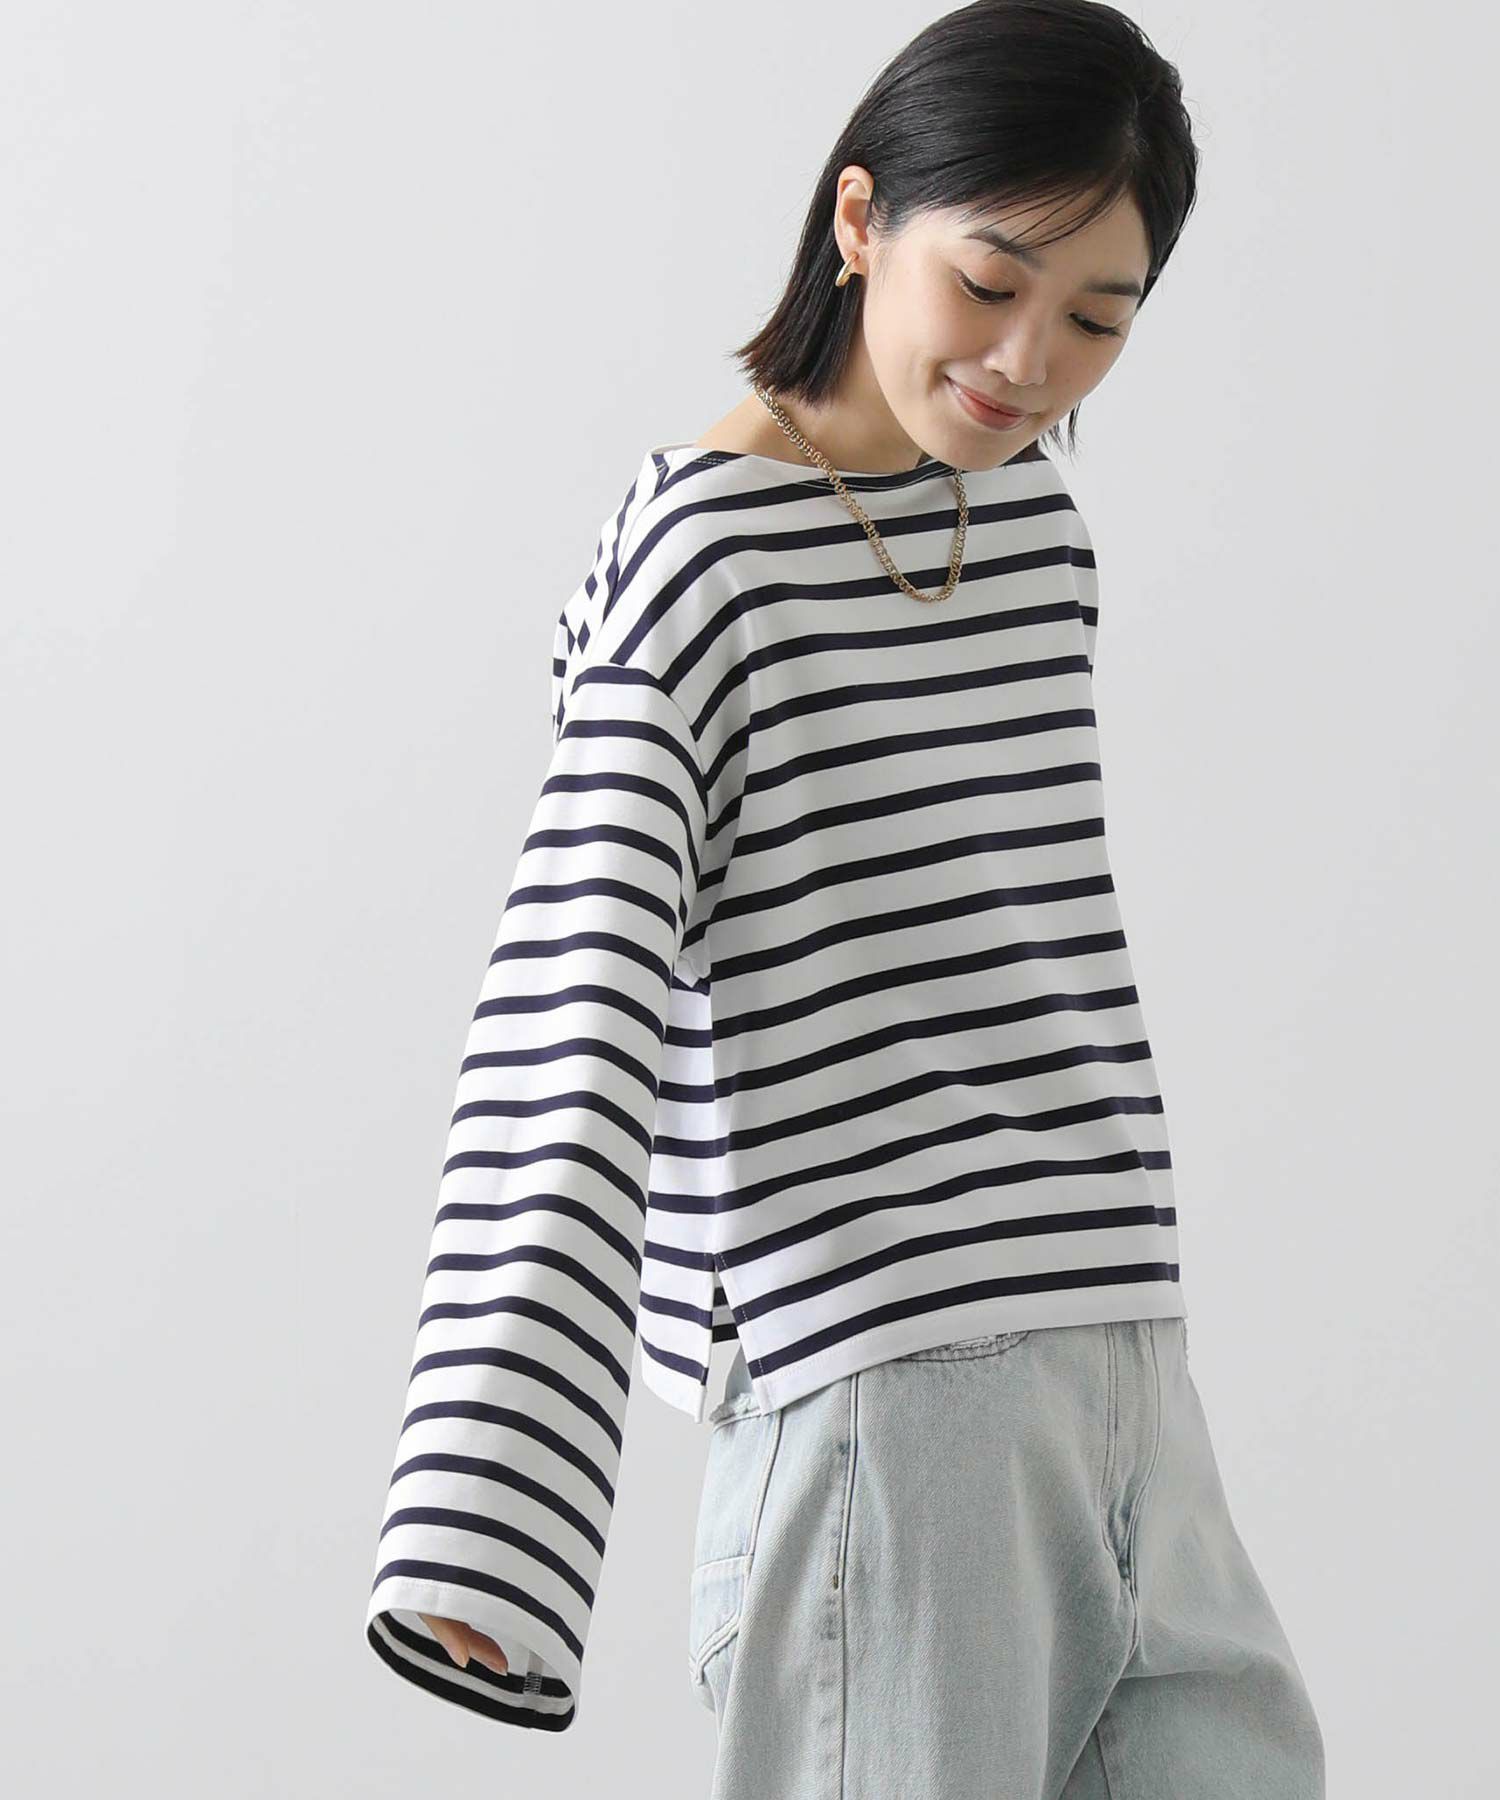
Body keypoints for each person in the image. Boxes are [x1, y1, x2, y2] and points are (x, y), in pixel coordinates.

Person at [363, 2, 1327, 1793]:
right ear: (862, 217)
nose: (1029, 363)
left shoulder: (1030, 535)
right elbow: (570, 1020)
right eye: (993, 283)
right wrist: (486, 1524)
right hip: (885, 1392)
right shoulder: (701, 561)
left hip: (1126, 1361)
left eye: (1099, 318)